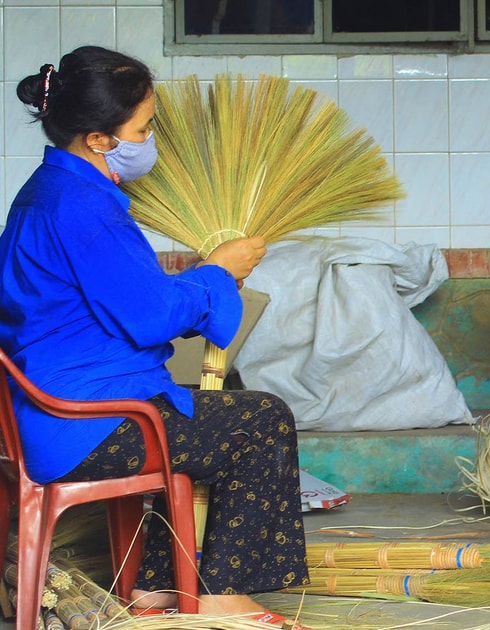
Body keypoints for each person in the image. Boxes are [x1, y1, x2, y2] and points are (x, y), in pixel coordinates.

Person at [1, 46, 309, 627]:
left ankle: (155, 590)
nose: (151, 138)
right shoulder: (83, 206)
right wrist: (218, 271)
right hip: (88, 427)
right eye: (143, 128)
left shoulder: (46, 193)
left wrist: (199, 279)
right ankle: (222, 597)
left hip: (51, 417)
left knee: (210, 417)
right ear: (98, 139)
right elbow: (150, 317)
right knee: (262, 420)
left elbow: (120, 298)